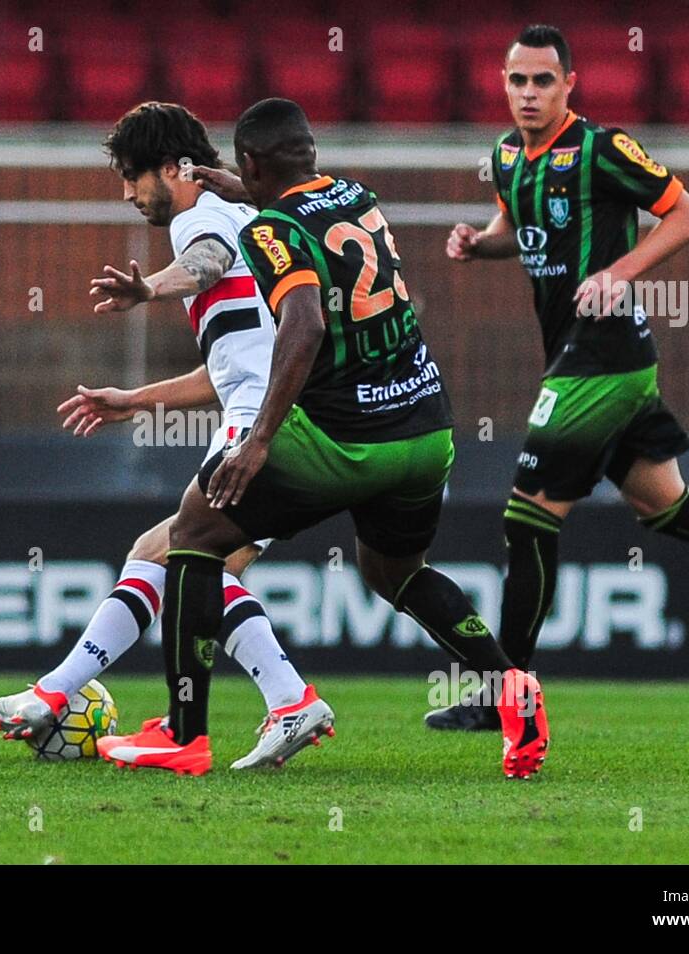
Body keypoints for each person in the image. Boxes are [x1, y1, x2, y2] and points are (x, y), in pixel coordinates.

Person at [96, 98, 550, 779]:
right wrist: (237, 184)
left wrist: (256, 443)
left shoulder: (273, 230)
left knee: (194, 536)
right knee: (396, 572)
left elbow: (302, 327)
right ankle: (514, 689)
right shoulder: (354, 196)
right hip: (426, 428)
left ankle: (184, 735)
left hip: (344, 434)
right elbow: (288, 196)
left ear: (250, 163)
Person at [429, 24, 689, 732]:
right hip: (578, 356)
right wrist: (479, 242)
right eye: (517, 80)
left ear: (569, 85)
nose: (529, 93)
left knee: (525, 516)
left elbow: (686, 214)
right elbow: (514, 229)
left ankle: (508, 696)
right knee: (666, 506)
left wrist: (619, 272)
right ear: (503, 82)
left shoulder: (601, 149)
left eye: (543, 81)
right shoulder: (504, 157)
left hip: (603, 356)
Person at [0, 102, 333, 770]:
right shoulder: (249, 215)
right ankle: (59, 692)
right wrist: (133, 401)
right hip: (285, 412)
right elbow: (228, 364)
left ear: (174, 169)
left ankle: (281, 701)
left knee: (189, 563)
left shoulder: (200, 218)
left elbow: (202, 264)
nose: (126, 193)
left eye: (133, 176)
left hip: (264, 421)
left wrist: (148, 287)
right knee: (171, 553)